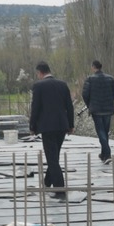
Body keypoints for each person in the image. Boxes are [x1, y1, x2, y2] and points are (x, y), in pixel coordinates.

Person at [29, 61, 75, 200]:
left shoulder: (38, 86)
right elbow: (69, 106)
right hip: (62, 125)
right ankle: (47, 182)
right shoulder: (62, 84)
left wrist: (32, 126)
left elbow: (35, 107)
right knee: (54, 156)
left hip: (47, 127)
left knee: (52, 158)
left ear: (40, 72)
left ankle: (60, 189)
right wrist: (71, 124)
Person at [82, 60, 114, 164]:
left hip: (96, 110)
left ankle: (107, 153)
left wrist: (90, 104)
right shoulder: (110, 79)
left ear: (93, 67)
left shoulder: (90, 79)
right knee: (105, 132)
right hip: (108, 110)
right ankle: (103, 154)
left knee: (101, 132)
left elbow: (85, 94)